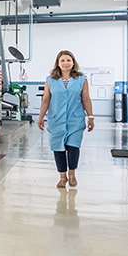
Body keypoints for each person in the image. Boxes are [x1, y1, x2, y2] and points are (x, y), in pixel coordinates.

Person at [37, 50, 94, 188]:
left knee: (73, 146)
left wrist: (90, 117)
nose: (65, 63)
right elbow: (45, 99)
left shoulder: (82, 79)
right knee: (58, 148)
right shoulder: (50, 80)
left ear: (73, 62)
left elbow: (86, 98)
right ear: (58, 63)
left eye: (68, 60)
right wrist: (41, 117)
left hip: (75, 119)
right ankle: (62, 177)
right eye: (62, 60)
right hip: (56, 119)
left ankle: (72, 174)